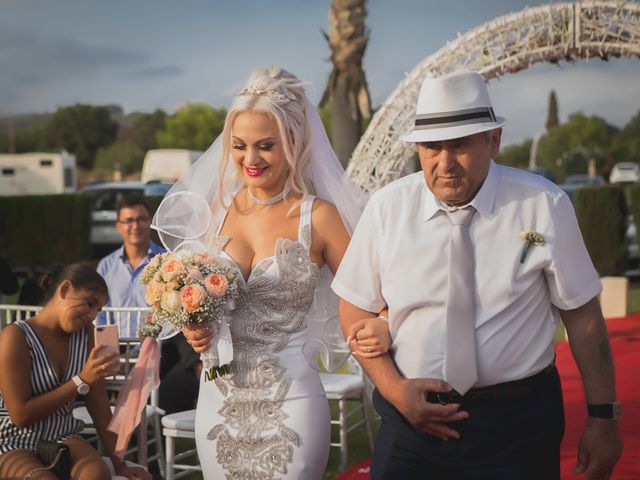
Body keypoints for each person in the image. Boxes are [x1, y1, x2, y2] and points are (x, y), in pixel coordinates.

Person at [332, 71, 623, 480]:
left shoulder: (543, 206)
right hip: (410, 423)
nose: (445, 163)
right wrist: (394, 389)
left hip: (518, 428)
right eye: (432, 147)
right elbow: (353, 306)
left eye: (461, 146)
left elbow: (583, 316)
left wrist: (604, 418)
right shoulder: (386, 209)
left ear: (494, 141)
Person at [152, 65, 366, 479]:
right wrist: (195, 326)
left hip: (291, 403)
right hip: (218, 402)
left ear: (294, 141)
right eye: (239, 145)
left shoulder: (319, 218)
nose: (250, 159)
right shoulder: (214, 215)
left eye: (265, 146)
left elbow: (366, 298)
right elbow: (191, 298)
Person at [0, 263, 151, 480]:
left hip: (62, 434)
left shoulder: (87, 335)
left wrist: (120, 463)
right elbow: (21, 415)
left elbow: (98, 404)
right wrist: (81, 380)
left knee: (97, 475)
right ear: (64, 289)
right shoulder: (15, 336)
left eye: (98, 310)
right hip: (11, 438)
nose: (91, 315)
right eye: (89, 303)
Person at [96, 193, 200, 413]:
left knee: (160, 394)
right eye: (128, 220)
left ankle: (145, 437)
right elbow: (101, 314)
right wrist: (112, 351)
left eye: (141, 219)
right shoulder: (106, 266)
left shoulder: (169, 262)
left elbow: (177, 311)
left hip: (160, 347)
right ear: (119, 226)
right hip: (119, 348)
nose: (135, 226)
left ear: (150, 222)